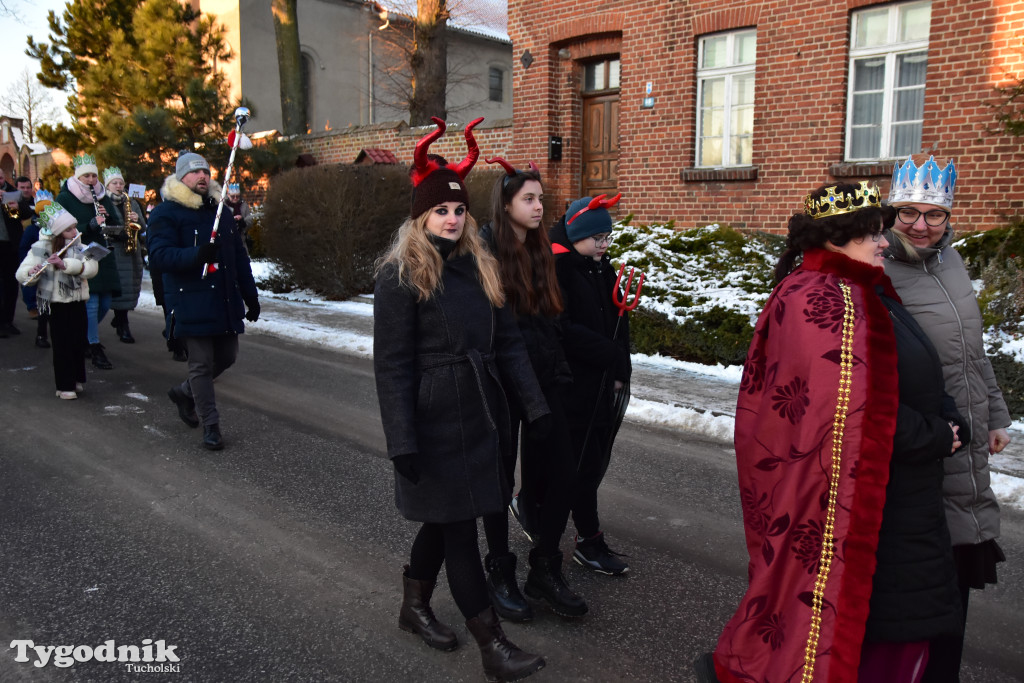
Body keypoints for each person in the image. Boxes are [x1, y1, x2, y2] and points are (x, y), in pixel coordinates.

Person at [701, 182, 966, 683]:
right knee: (868, 639)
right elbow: (846, 411)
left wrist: (950, 417)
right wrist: (935, 436)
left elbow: (907, 373)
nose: (886, 242)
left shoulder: (864, 288)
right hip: (867, 499)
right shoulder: (820, 299)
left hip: (901, 499)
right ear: (839, 237)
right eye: (874, 233)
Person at [373, 117, 548, 683]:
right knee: (460, 531)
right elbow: (392, 366)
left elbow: (510, 344)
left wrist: (535, 407)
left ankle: (413, 605)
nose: (451, 219)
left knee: (450, 517)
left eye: (458, 211)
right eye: (440, 210)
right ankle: (492, 644)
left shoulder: (481, 268)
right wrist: (402, 440)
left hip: (482, 412)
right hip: (432, 417)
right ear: (421, 215)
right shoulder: (400, 276)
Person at [883, 157, 1013, 682]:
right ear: (891, 211)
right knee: (924, 574)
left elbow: (972, 353)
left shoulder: (950, 262)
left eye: (933, 215)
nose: (920, 224)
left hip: (967, 435)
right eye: (908, 212)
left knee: (956, 565)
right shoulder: (879, 268)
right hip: (924, 441)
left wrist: (997, 415)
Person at [478, 157, 587, 620]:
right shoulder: (485, 253)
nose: (540, 206)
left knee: (565, 473)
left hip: (543, 381)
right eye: (529, 199)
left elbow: (551, 325)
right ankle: (499, 569)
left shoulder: (542, 250)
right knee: (499, 483)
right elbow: (500, 337)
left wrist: (560, 377)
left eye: (541, 198)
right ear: (505, 206)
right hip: (503, 387)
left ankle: (544, 566)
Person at [148, 151, 260, 451]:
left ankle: (184, 392)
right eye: (194, 172)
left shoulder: (220, 210)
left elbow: (238, 257)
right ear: (180, 177)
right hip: (189, 299)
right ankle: (211, 426)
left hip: (223, 299)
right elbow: (158, 256)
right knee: (201, 363)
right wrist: (195, 255)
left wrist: (251, 296)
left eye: (205, 172)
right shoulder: (166, 213)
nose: (202, 177)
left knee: (227, 357)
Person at [548, 193, 633, 576]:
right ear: (576, 234)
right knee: (581, 467)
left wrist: (620, 368)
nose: (603, 244)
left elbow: (617, 319)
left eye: (607, 237)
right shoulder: (561, 267)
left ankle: (537, 508)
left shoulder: (600, 266)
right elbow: (563, 329)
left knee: (593, 460)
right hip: (574, 385)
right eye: (596, 237)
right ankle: (587, 541)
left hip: (601, 382)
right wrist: (610, 356)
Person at [15, 201, 98, 399]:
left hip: (78, 300)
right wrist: (32, 272)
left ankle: (76, 379)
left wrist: (65, 264)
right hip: (56, 303)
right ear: (58, 232)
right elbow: (21, 274)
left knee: (78, 341)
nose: (74, 231)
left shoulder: (82, 247)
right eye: (68, 229)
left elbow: (92, 269)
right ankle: (64, 385)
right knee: (62, 344)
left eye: (74, 227)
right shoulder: (40, 248)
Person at [56, 153, 120, 369]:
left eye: (94, 176)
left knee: (105, 303)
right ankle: (93, 345)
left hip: (102, 254)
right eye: (87, 177)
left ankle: (82, 336)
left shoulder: (103, 197)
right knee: (90, 303)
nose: (92, 180)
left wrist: (108, 219)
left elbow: (117, 223)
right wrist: (89, 225)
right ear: (78, 178)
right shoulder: (65, 198)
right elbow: (57, 229)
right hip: (79, 253)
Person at [102, 167, 146, 343]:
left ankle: (121, 319)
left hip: (131, 250)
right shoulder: (102, 202)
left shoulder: (132, 202)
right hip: (114, 250)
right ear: (108, 185)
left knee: (130, 287)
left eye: (121, 183)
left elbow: (143, 226)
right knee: (119, 287)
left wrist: (137, 220)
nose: (119, 186)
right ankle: (122, 323)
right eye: (115, 183)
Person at [18, 191, 55, 348]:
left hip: (56, 270)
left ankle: (57, 335)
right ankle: (41, 334)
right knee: (44, 306)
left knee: (55, 307)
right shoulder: (32, 230)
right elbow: (24, 249)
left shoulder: (58, 228)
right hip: (41, 271)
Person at [0, 167, 24, 338]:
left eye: (1, 178)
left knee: (10, 283)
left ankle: (8, 320)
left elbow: (18, 217)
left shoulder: (13, 193)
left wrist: (12, 208)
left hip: (9, 245)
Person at [224, 183, 253, 251]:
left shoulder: (244, 205)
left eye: (237, 196)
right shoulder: (223, 206)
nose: (235, 198)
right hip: (227, 241)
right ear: (228, 195)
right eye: (233, 196)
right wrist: (232, 220)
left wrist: (243, 222)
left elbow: (250, 222)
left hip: (241, 239)